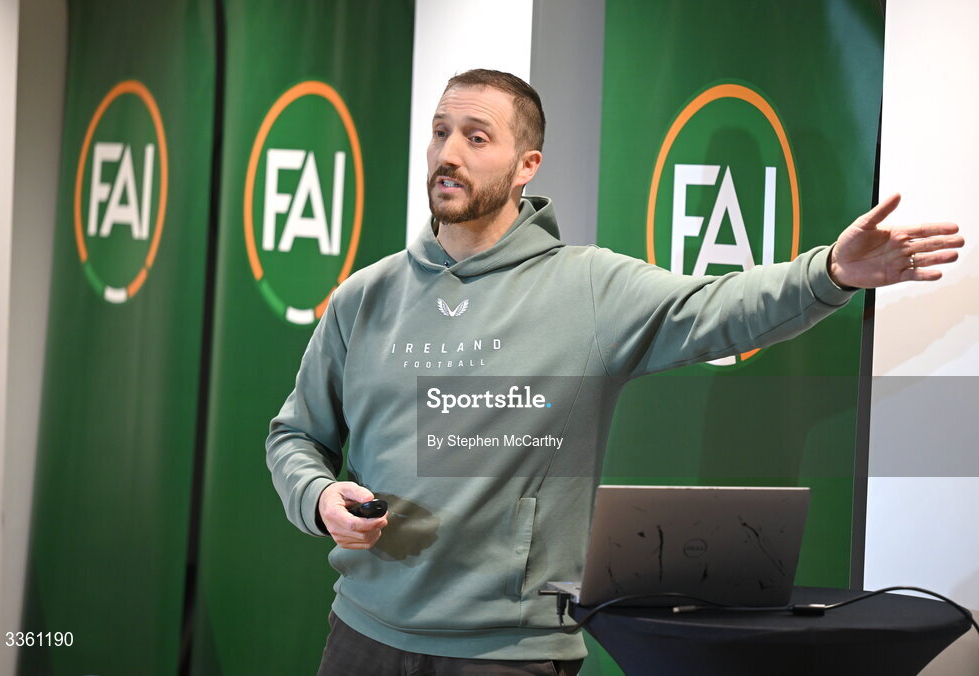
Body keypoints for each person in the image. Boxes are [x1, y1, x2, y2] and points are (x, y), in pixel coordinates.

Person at [266, 69, 963, 675]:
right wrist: (319, 499)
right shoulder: (365, 297)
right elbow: (294, 435)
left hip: (507, 654)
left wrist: (831, 272)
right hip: (360, 635)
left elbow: (719, 308)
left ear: (526, 164)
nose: (448, 153)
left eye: (477, 137)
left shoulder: (588, 289)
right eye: (440, 131)